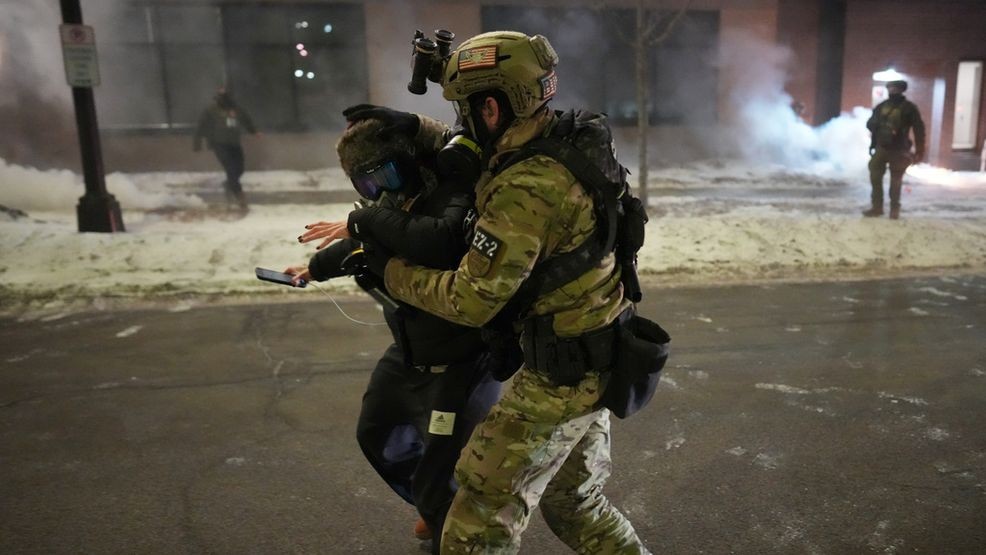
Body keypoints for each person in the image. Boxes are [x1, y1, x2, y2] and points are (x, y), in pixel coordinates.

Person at [364, 31, 650, 553]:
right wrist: (420, 129)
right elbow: (474, 152)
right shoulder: (561, 138)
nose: (460, 128)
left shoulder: (528, 187)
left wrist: (391, 272)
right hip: (599, 358)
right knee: (576, 507)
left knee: (476, 524)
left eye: (464, 112)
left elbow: (472, 300)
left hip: (559, 381)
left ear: (492, 109)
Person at [284, 116, 502, 552]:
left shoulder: (452, 192)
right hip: (411, 349)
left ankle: (454, 528)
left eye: (384, 175)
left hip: (462, 360)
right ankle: (435, 506)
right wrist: (315, 269)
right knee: (377, 434)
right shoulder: (391, 203)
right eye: (365, 185)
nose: (378, 191)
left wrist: (363, 223)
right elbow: (363, 240)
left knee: (440, 473)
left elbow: (435, 242)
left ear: (407, 160)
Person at [864, 79, 925, 220]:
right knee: (875, 176)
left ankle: (894, 209)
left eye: (895, 88)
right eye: (891, 88)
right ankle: (877, 207)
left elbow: (919, 130)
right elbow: (874, 128)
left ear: (901, 90)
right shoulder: (882, 107)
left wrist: (920, 151)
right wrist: (873, 145)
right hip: (882, 148)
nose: (893, 91)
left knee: (896, 180)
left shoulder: (909, 108)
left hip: (899, 150)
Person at [193, 87, 258, 210]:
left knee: (239, 169)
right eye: (221, 97)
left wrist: (253, 131)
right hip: (219, 144)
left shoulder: (236, 109)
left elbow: (245, 119)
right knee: (231, 169)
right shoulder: (211, 110)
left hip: (234, 143)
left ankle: (229, 185)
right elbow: (201, 126)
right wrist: (197, 143)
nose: (224, 100)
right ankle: (240, 197)